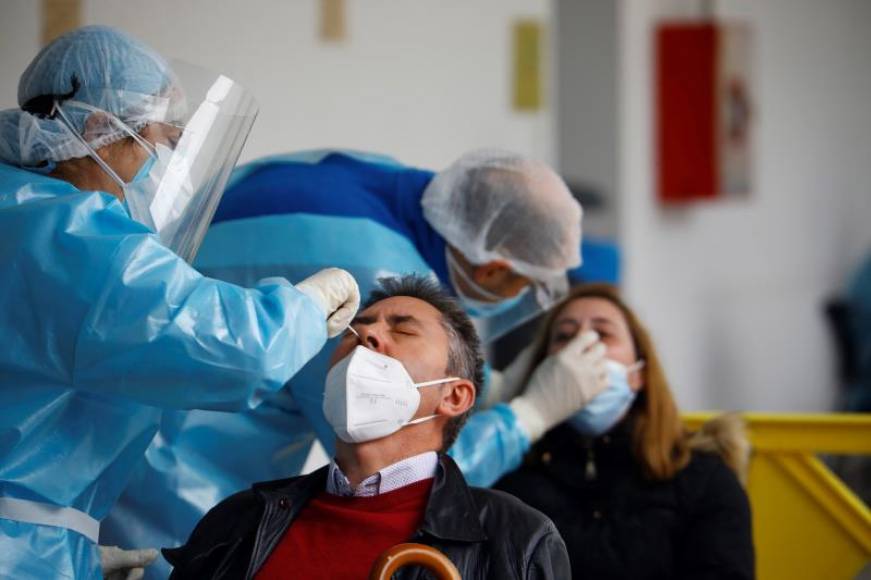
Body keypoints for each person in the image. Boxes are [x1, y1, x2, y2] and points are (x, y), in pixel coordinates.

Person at [105, 149, 610, 576]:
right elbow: (399, 467)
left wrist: (489, 387)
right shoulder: (368, 271)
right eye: (369, 325)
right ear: (492, 266)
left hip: (122, 438)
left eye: (404, 327)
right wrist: (530, 416)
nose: (367, 334)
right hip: (171, 497)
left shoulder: (375, 185)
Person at [0, 26, 359, 580]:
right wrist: (310, 303)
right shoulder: (71, 234)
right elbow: (239, 351)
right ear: (99, 128)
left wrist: (69, 544)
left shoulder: (16, 207)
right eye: (159, 143)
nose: (161, 168)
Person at [164, 275, 571, 579]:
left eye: (403, 329)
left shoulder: (515, 542)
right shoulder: (240, 522)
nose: (367, 335)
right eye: (355, 329)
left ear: (454, 396)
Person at [494, 284, 755, 580]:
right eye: (564, 336)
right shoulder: (511, 477)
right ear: (544, 369)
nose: (582, 346)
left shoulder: (703, 478)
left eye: (603, 334)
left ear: (638, 375)